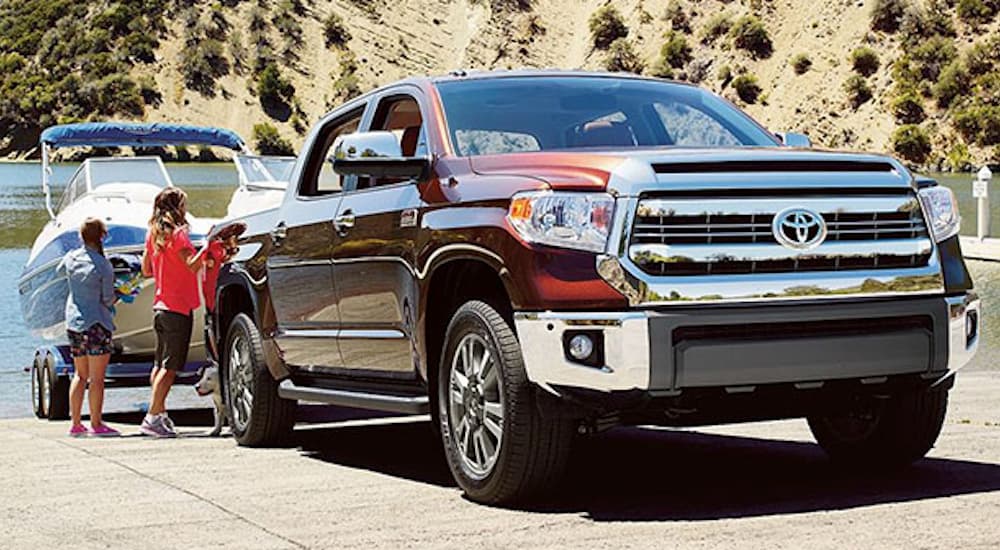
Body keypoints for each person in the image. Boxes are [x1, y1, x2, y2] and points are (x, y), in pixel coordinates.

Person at [140, 187, 213, 438]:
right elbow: (192, 266)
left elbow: (146, 270)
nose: (185, 209)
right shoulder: (179, 234)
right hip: (177, 308)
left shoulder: (153, 235)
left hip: (160, 307)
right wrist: (207, 248)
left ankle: (159, 414)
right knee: (170, 368)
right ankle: (152, 417)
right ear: (176, 207)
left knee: (160, 365)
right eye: (184, 204)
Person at [58, 218, 119, 437]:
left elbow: (60, 271)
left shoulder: (70, 258)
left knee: (79, 375)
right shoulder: (103, 265)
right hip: (97, 324)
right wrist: (121, 293)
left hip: (74, 323)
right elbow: (108, 299)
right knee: (97, 379)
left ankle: (75, 424)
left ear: (81, 236)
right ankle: (96, 424)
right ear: (102, 236)